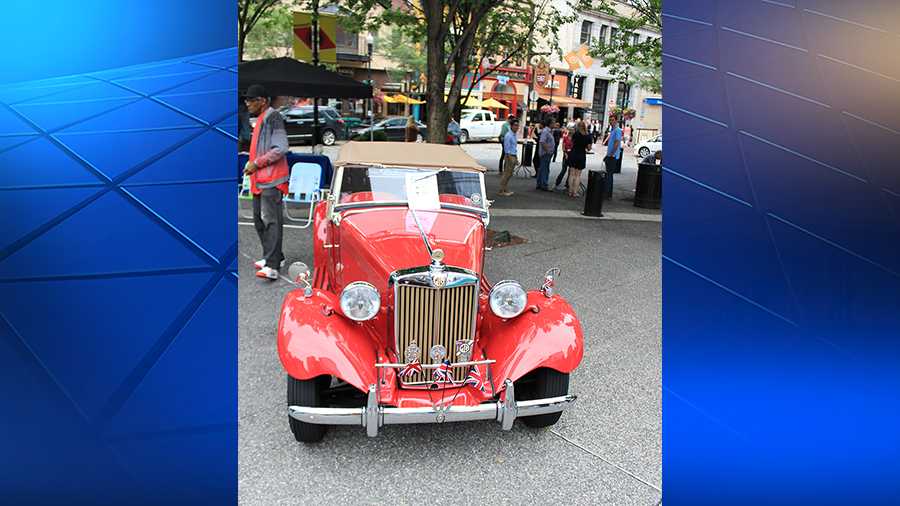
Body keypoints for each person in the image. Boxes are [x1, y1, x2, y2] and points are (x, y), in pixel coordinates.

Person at [244, 84, 289, 280]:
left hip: (271, 179)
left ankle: (272, 267)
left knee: (271, 222)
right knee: (258, 220)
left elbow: (280, 148)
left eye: (250, 100)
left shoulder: (273, 117)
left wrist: (257, 163)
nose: (246, 103)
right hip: (259, 179)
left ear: (262, 101)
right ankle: (274, 256)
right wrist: (251, 161)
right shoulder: (261, 119)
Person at [567, 120, 592, 198]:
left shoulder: (575, 134)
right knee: (578, 175)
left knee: (571, 174)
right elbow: (589, 149)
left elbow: (571, 142)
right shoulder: (588, 136)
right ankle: (575, 192)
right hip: (581, 155)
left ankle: (570, 191)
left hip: (573, 153)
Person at [498, 118, 520, 196]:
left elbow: (514, 147)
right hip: (509, 156)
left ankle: (505, 188)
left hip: (513, 155)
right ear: (511, 126)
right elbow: (506, 148)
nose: (517, 127)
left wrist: (516, 158)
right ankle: (501, 190)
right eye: (515, 125)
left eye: (518, 126)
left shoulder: (514, 135)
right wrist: (510, 158)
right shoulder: (508, 135)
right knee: (506, 173)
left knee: (510, 174)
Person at [602, 116, 623, 199]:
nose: (611, 121)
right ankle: (608, 193)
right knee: (608, 174)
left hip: (613, 156)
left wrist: (611, 154)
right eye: (610, 120)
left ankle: (607, 194)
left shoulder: (617, 130)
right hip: (610, 155)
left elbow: (617, 142)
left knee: (609, 175)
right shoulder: (613, 130)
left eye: (613, 120)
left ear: (616, 121)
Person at [536, 118, 555, 191]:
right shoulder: (546, 131)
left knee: (542, 168)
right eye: (553, 123)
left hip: (546, 153)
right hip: (545, 153)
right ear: (550, 124)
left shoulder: (549, 131)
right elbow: (542, 141)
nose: (554, 124)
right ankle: (544, 184)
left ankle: (540, 183)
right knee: (545, 169)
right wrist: (547, 150)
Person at [554, 127, 573, 191]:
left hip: (572, 155)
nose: (571, 133)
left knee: (570, 171)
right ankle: (557, 182)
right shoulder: (565, 138)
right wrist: (565, 153)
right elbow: (563, 146)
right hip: (566, 154)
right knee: (563, 170)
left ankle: (567, 184)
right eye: (570, 132)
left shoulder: (574, 139)